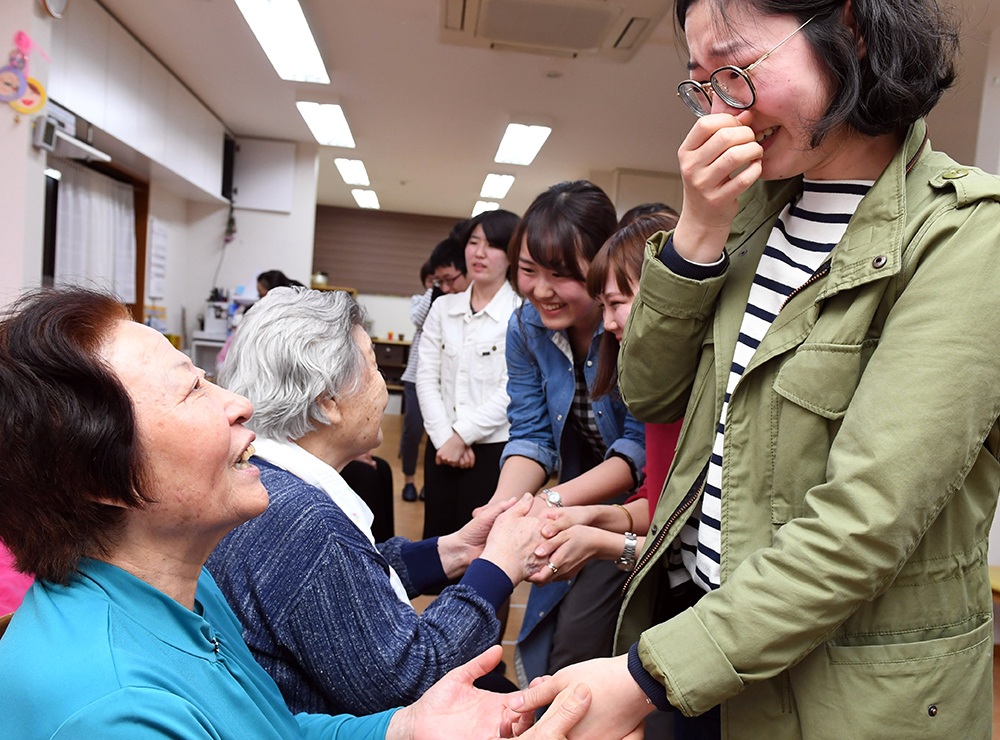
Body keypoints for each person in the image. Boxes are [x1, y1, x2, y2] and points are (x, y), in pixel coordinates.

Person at [512, 1, 1000, 738]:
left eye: (737, 70)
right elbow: (648, 394)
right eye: (700, 84)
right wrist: (698, 231)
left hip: (843, 691)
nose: (721, 109)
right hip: (698, 641)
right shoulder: (745, 217)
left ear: (852, 31)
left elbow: (863, 522)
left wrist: (647, 676)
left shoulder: (966, 237)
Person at [0, 287, 589, 740]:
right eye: (193, 391)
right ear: (102, 475)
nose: (241, 405)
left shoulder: (185, 589)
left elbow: (271, 728)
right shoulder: (117, 713)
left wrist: (402, 728)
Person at [209, 286, 547, 716]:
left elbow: (340, 593)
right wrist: (499, 567)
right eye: (372, 366)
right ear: (328, 403)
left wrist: (454, 552)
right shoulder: (305, 523)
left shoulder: (264, 481)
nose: (385, 384)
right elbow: (413, 680)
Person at [486, 180, 646, 685]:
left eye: (561, 275)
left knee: (578, 644)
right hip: (575, 490)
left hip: (643, 502)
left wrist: (551, 503)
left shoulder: (631, 325)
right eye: (528, 271)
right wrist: (504, 509)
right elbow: (531, 433)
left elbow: (637, 451)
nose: (540, 291)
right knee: (546, 629)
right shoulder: (526, 327)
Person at [531, 211, 682, 583]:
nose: (609, 322)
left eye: (617, 304)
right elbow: (658, 503)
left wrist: (601, 539)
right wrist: (589, 517)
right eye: (604, 307)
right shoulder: (655, 382)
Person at [417, 209, 521, 539]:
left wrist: (461, 436)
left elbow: (513, 388)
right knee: (438, 542)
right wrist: (445, 439)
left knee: (484, 549)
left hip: (494, 448)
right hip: (440, 441)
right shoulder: (443, 308)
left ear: (511, 254)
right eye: (474, 242)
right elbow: (426, 377)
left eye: (492, 245)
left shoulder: (521, 313)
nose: (479, 252)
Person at [399, 260, 439, 502]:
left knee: (436, 435)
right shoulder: (419, 299)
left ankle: (429, 484)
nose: (435, 282)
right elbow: (419, 319)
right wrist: (433, 291)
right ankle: (409, 481)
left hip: (440, 381)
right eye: (431, 279)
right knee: (412, 431)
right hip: (415, 378)